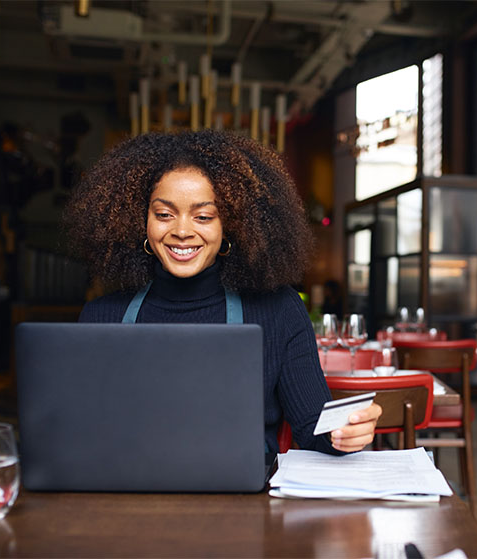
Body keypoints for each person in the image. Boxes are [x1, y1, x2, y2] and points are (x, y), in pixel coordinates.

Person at [64, 129, 381, 454]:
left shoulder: (279, 311)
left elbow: (314, 429)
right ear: (139, 220)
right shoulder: (102, 316)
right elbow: (78, 433)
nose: (182, 231)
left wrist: (344, 433)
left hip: (244, 501)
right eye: (163, 214)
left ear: (232, 223)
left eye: (203, 216)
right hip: (126, 495)